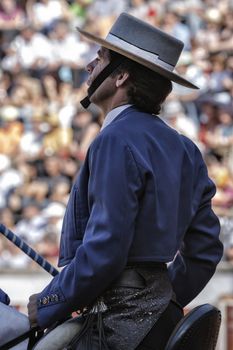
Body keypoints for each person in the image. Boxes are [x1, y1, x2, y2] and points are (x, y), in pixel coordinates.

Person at [27, 13, 223, 350]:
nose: (90, 66)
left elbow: (105, 249)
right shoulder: (186, 148)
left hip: (118, 325)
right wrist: (163, 300)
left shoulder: (114, 139)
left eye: (100, 57)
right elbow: (205, 249)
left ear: (121, 75)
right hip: (159, 320)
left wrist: (47, 303)